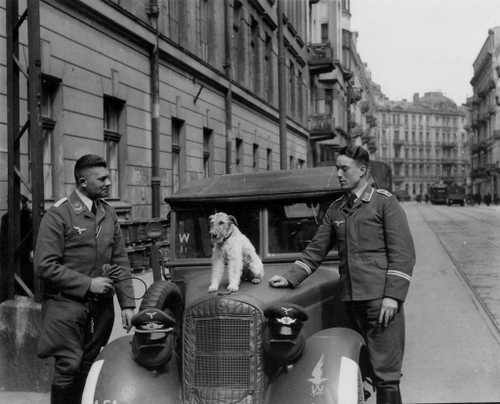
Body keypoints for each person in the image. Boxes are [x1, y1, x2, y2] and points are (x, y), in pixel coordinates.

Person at [269, 145, 415, 404]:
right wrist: (291, 276)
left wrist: (392, 297)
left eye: (344, 168)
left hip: (380, 302)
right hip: (351, 302)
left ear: (362, 170)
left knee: (386, 374)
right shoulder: (337, 209)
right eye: (337, 167)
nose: (338, 173)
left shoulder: (384, 203)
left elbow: (403, 255)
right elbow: (316, 249)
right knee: (357, 365)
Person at [34, 154, 136, 404]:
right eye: (102, 178)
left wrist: (128, 303)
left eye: (108, 177)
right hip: (66, 307)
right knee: (69, 366)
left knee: (90, 365)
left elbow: (120, 260)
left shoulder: (108, 213)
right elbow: (44, 265)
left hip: (100, 309)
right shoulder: (59, 214)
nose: (109, 182)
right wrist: (88, 284)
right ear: (82, 181)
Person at [0, 194, 33, 302]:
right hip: (10, 255)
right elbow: (3, 239)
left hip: (24, 256)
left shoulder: (29, 217)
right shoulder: (6, 218)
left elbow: (31, 238)